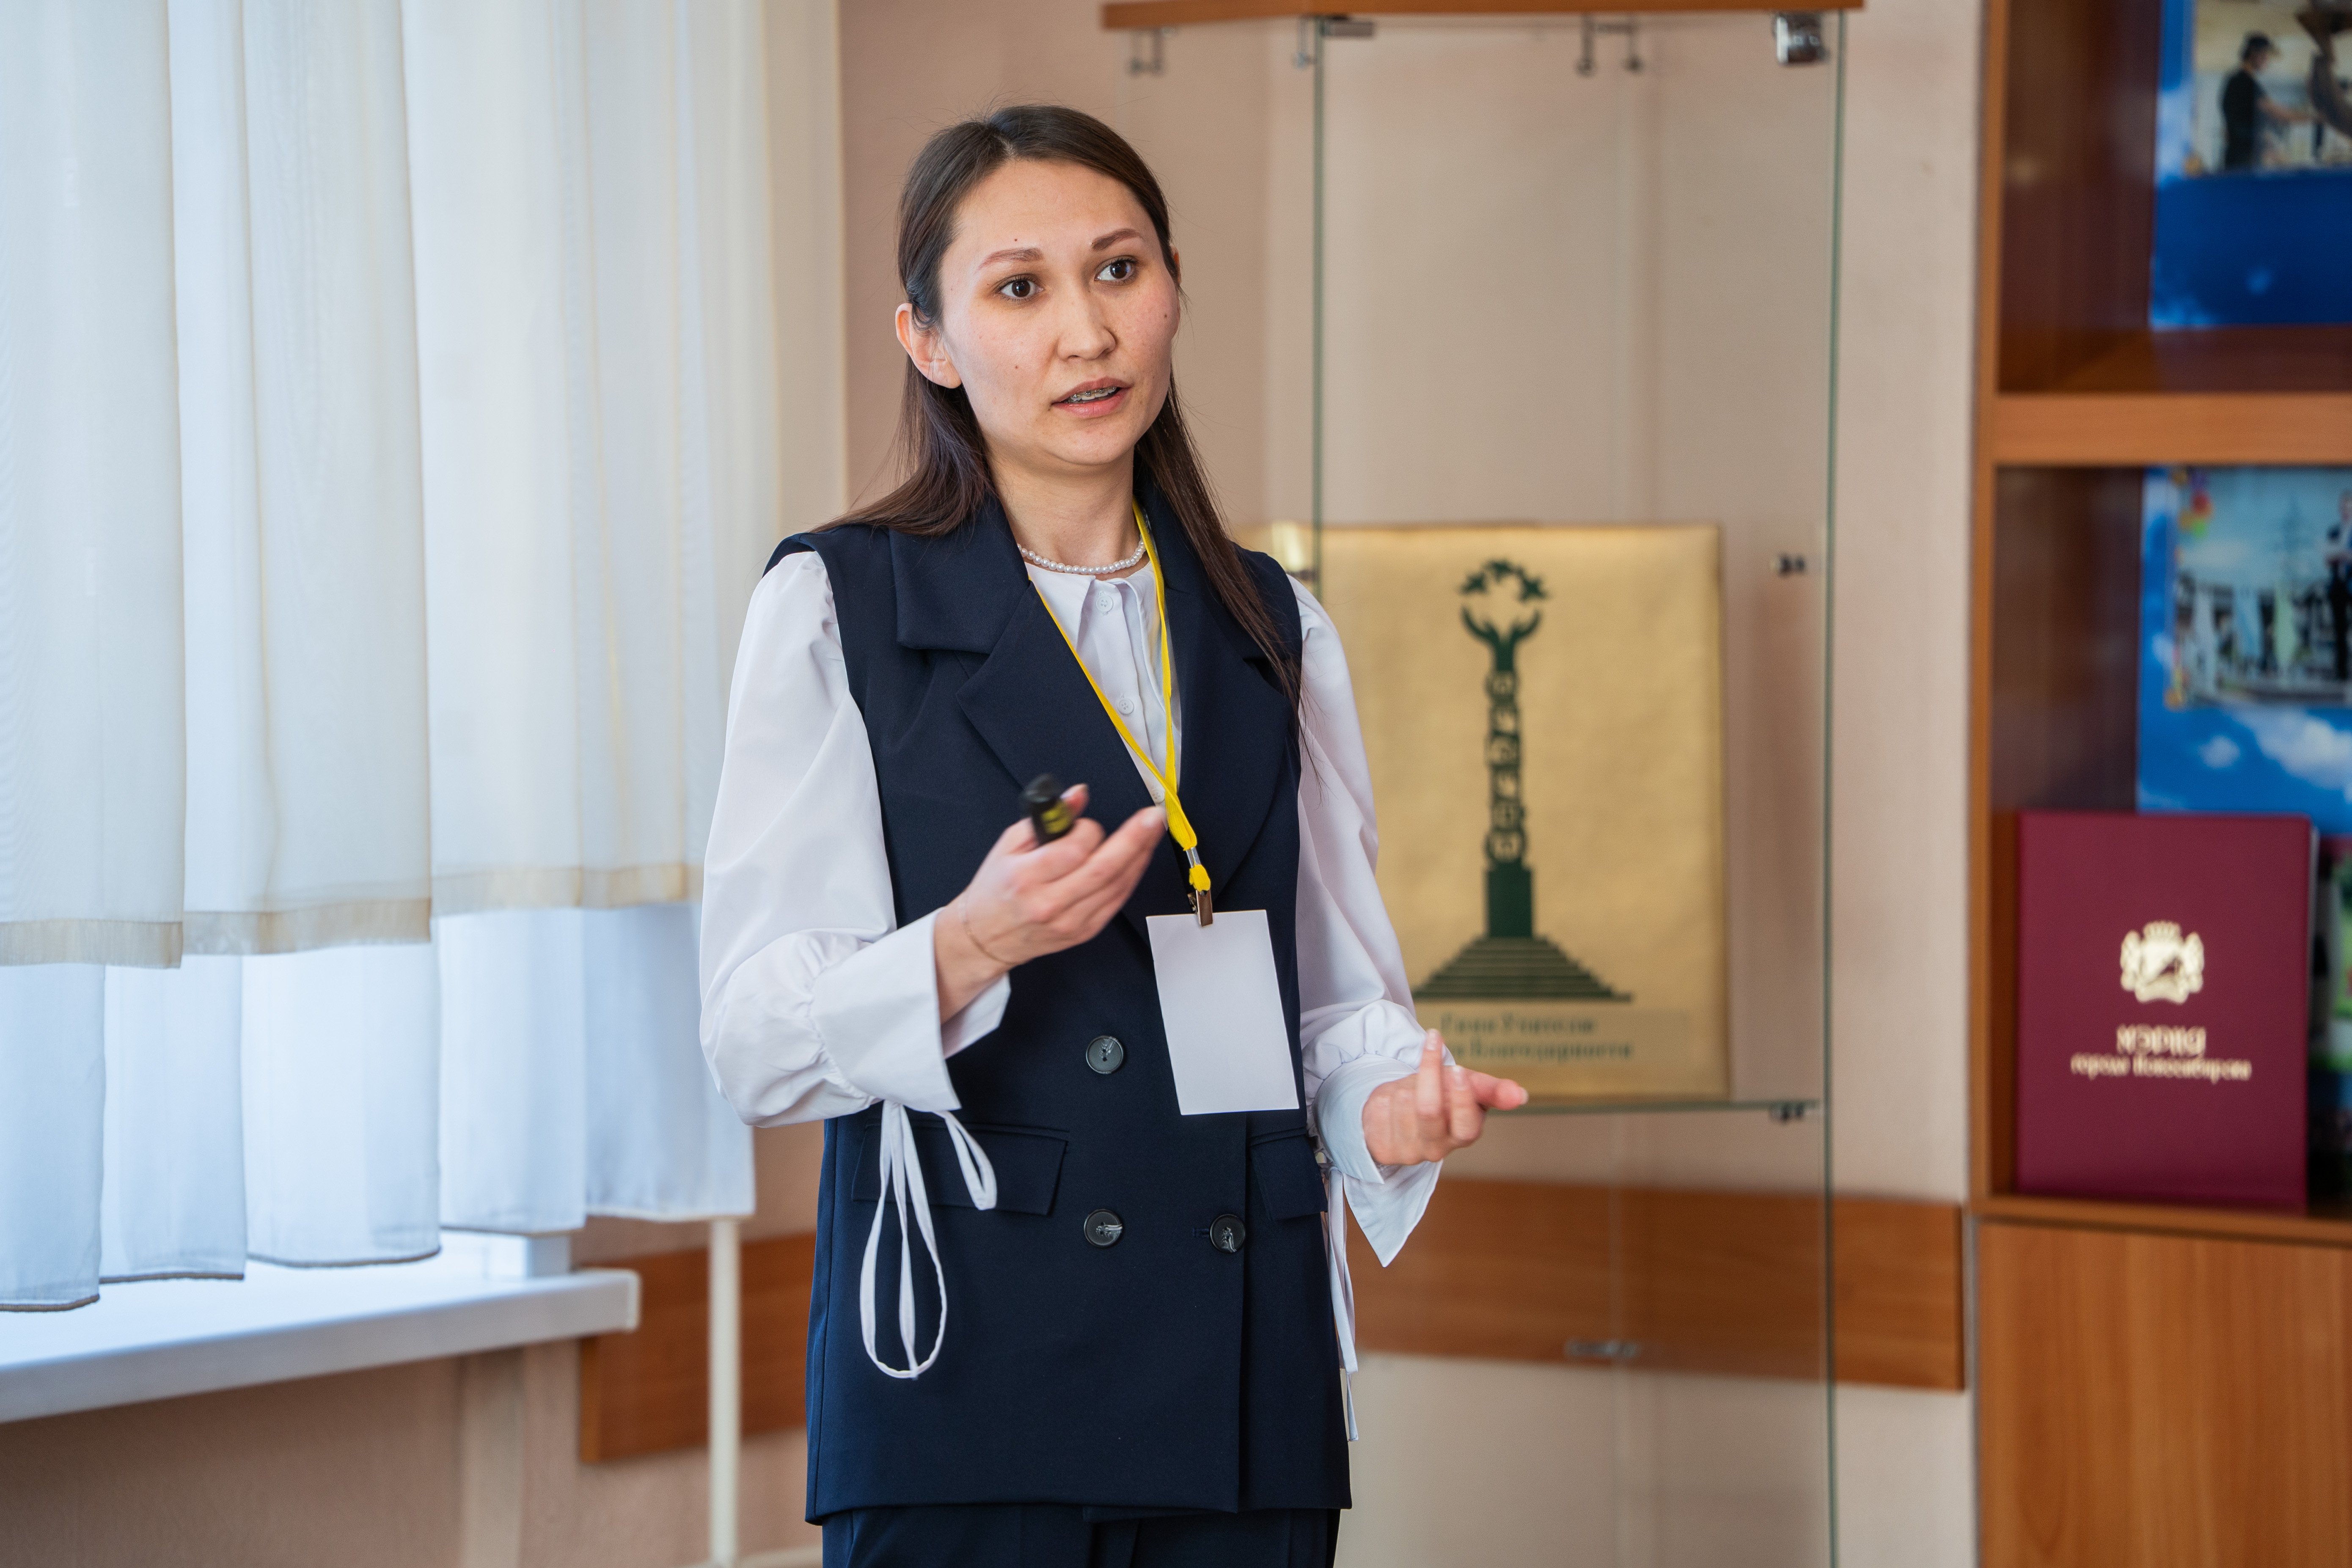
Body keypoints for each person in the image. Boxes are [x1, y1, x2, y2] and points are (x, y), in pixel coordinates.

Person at [699, 105, 1529, 1568]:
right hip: (973, 1371)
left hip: (1241, 1369)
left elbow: (1331, 1007)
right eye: (1019, 287)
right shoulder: (839, 606)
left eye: (1117, 269)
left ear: (1171, 290)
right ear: (927, 339)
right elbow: (752, 1039)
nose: (1085, 330)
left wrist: (1387, 1111)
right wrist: (969, 943)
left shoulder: (1271, 623)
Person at [2222, 33, 2311, 170]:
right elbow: (2280, 114)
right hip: (2244, 161)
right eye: (2265, 56)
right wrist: (2318, 118)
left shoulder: (2237, 81)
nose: (2267, 60)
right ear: (2255, 54)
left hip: (2242, 158)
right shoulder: (2243, 83)